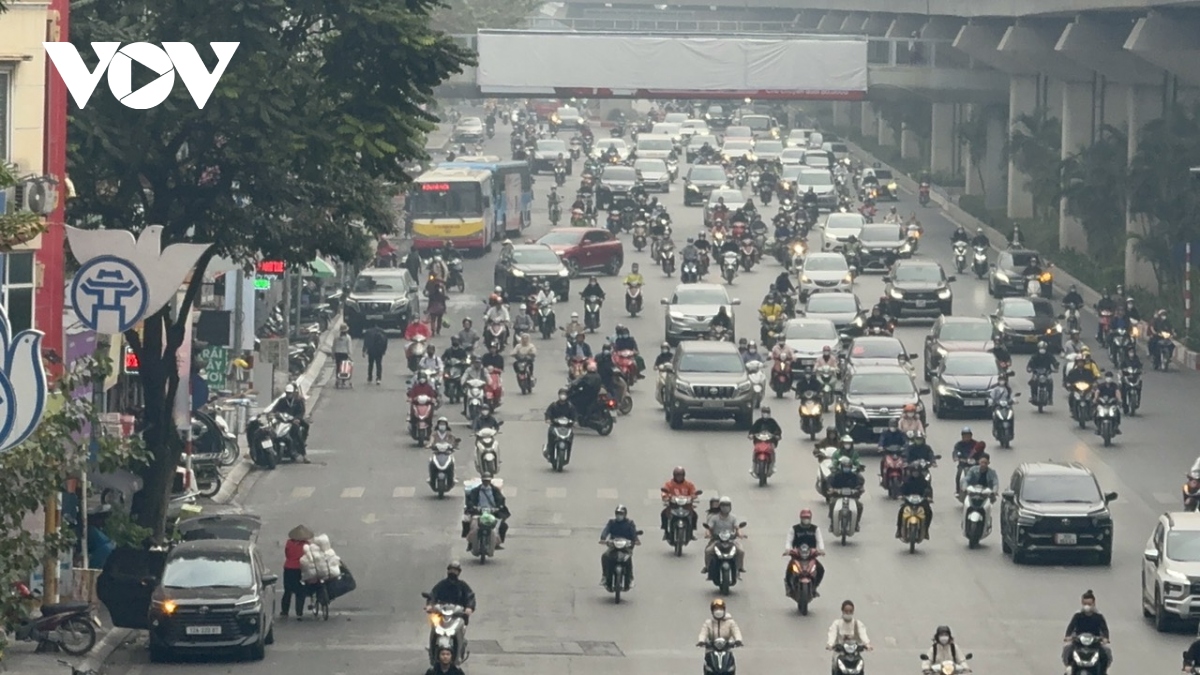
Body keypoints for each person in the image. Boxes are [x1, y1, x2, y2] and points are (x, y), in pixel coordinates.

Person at [1061, 590, 1111, 674]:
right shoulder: (1078, 616)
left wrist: (1105, 638)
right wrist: (1068, 636)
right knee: (1067, 650)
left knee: (1106, 652)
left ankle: (1103, 672)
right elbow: (1071, 627)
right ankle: (1069, 669)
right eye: (1085, 604)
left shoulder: (1098, 617)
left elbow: (1104, 629)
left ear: (1094, 603)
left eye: (1089, 604)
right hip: (1078, 643)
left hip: (1095, 644)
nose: (1087, 606)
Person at [599, 505, 641, 589]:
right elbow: (606, 530)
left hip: (626, 547)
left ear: (625, 514)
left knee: (628, 559)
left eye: (621, 514)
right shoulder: (612, 523)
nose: (619, 516)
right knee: (605, 556)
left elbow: (633, 534)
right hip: (613, 545)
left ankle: (630, 578)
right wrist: (603, 538)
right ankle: (604, 576)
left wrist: (636, 540)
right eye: (617, 514)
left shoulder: (630, 523)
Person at [463, 473, 510, 548]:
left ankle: (497, 542)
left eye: (487, 481)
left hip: (493, 513)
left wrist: (498, 508)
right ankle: (471, 542)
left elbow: (501, 500)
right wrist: (474, 507)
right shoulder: (475, 491)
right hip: (478, 512)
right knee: (471, 524)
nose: (486, 482)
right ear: (482, 480)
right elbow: (470, 501)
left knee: (503, 526)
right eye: (484, 481)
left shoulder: (495, 491)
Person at [702, 497, 745, 576]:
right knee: (708, 551)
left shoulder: (733, 518)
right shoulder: (714, 517)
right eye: (723, 505)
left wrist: (740, 534)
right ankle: (707, 567)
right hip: (716, 540)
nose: (725, 508)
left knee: (740, 551)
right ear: (720, 506)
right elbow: (709, 528)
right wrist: (707, 533)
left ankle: (739, 567)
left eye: (727, 505)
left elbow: (737, 528)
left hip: (731, 540)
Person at [785, 509, 825, 594]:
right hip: (797, 555)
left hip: (811, 556)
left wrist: (821, 550)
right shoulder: (794, 529)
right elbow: (789, 540)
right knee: (789, 570)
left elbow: (819, 540)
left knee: (821, 569)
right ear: (800, 518)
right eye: (804, 518)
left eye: (807, 518)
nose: (805, 520)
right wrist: (788, 549)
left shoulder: (815, 529)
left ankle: (815, 587)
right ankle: (789, 588)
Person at [269, 384, 310, 463]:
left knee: (297, 433)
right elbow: (275, 409)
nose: (289, 395)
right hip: (283, 421)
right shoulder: (282, 401)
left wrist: (297, 419)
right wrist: (273, 414)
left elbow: (301, 411)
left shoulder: (298, 401)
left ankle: (304, 455)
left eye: (290, 393)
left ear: (293, 393)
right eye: (287, 393)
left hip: (295, 421)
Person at [660, 466, 701, 539]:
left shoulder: (689, 484)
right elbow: (664, 492)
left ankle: (691, 532)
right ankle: (666, 532)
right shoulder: (669, 484)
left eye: (681, 475)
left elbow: (693, 492)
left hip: (686, 505)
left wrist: (693, 497)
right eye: (677, 475)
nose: (679, 477)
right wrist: (666, 496)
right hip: (673, 505)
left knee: (694, 515)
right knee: (664, 514)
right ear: (674, 475)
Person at [281, 524, 312, 618]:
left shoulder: (289, 543)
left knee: (287, 591)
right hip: (300, 569)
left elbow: (287, 554)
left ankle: (285, 611)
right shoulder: (306, 545)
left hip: (288, 568)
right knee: (300, 591)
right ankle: (299, 612)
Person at [895, 463, 933, 539]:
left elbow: (928, 489)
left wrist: (929, 497)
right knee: (901, 511)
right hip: (909, 501)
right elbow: (901, 489)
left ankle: (926, 530)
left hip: (921, 501)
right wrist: (900, 495)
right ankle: (898, 530)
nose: (915, 473)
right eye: (914, 472)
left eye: (917, 472)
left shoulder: (923, 481)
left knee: (929, 512)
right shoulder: (907, 480)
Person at [826, 457, 864, 530]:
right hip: (837, 496)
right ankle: (832, 523)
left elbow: (860, 483)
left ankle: (856, 523)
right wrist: (831, 489)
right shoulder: (836, 475)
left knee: (859, 506)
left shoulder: (855, 476)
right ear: (841, 467)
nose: (846, 468)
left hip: (852, 496)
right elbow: (828, 482)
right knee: (832, 504)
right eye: (845, 467)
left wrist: (858, 489)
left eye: (848, 467)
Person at [543, 389, 576, 455]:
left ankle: (568, 451)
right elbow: (548, 413)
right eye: (561, 394)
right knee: (551, 433)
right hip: (555, 426)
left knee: (571, 436)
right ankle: (549, 449)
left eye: (564, 394)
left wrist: (574, 421)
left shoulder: (570, 406)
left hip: (567, 427)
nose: (563, 396)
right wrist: (548, 419)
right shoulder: (554, 405)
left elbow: (574, 415)